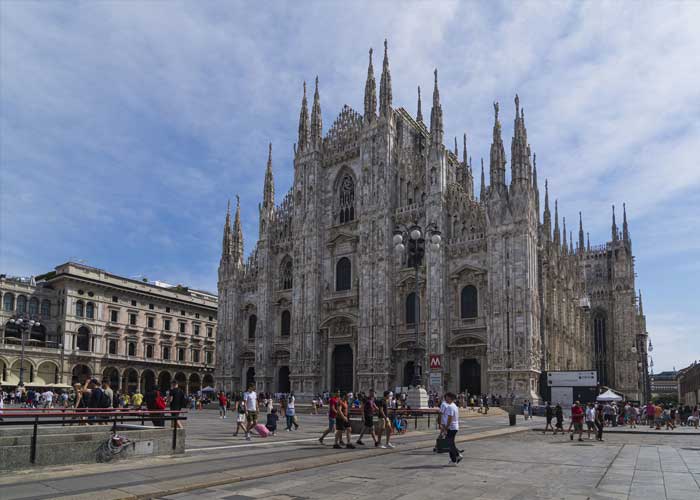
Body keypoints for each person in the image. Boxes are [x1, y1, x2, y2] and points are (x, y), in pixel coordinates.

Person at [441, 392, 461, 466]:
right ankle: (456, 457)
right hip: (454, 427)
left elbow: (450, 419)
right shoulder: (454, 406)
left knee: (449, 444)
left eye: (446, 397)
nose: (445, 398)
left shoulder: (450, 407)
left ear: (449, 398)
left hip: (451, 427)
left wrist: (445, 428)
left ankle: (454, 459)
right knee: (451, 443)